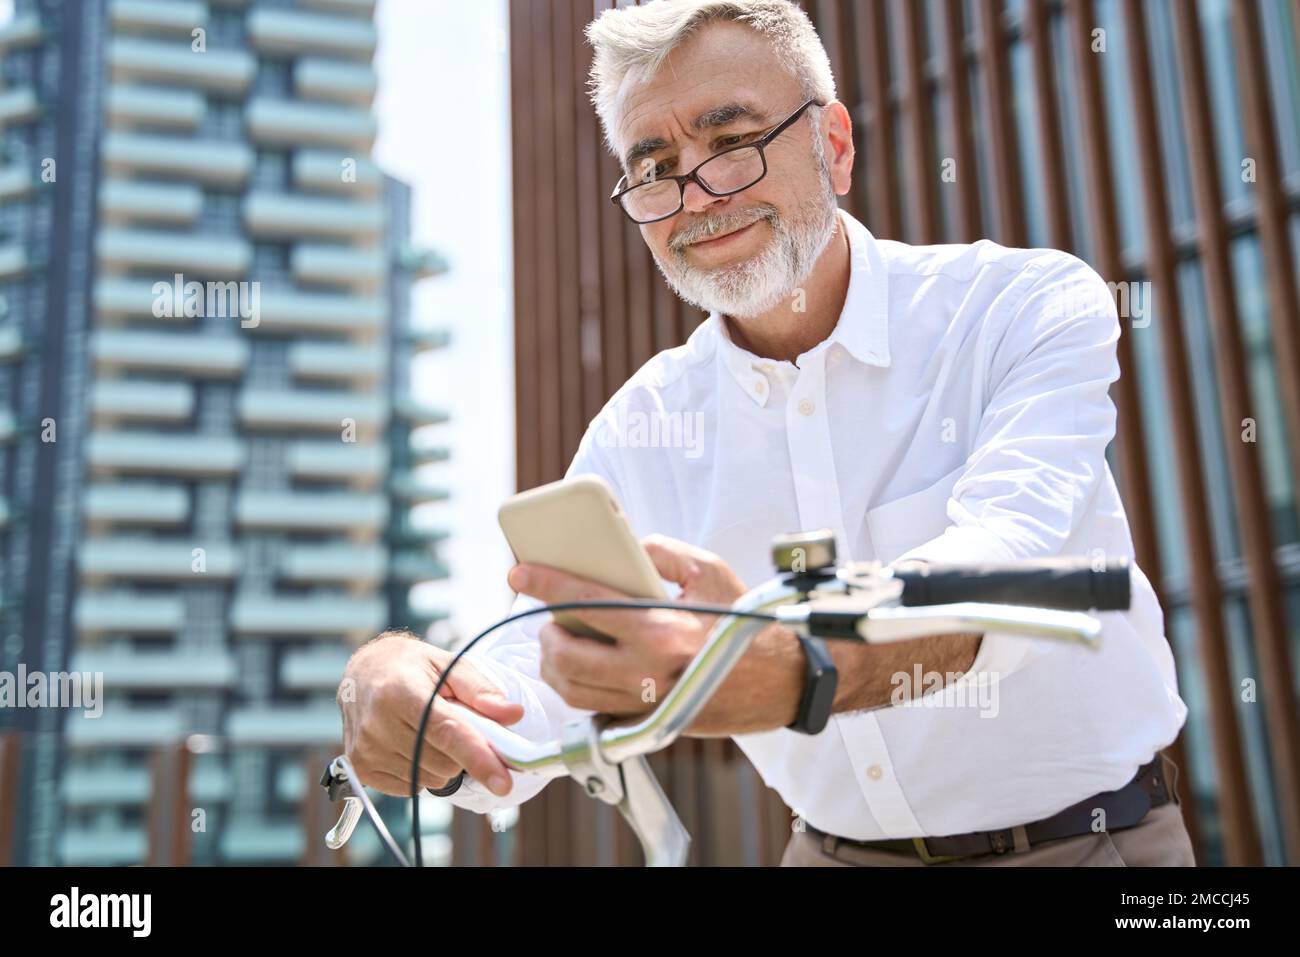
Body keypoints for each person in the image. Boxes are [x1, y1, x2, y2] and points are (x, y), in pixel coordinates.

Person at [339, 0, 1194, 866]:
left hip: (1092, 846)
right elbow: (544, 671)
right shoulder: (640, 431)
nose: (698, 196)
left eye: (731, 140)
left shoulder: (1021, 308)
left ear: (835, 145)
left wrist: (793, 665)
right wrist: (419, 698)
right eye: (657, 165)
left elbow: (1007, 580)